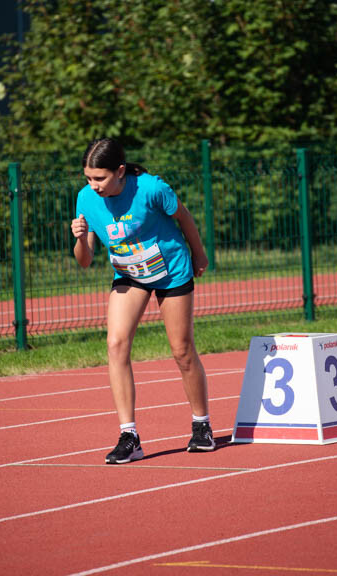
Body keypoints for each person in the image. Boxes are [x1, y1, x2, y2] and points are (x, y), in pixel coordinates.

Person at [71, 137, 215, 464]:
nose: (93, 186)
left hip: (171, 270)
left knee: (181, 350)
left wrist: (199, 253)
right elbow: (84, 260)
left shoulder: (150, 188)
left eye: (100, 178)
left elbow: (185, 217)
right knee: (116, 344)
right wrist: (80, 239)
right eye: (88, 178)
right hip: (130, 274)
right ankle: (129, 436)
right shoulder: (86, 199)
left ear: (120, 171)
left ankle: (201, 425)